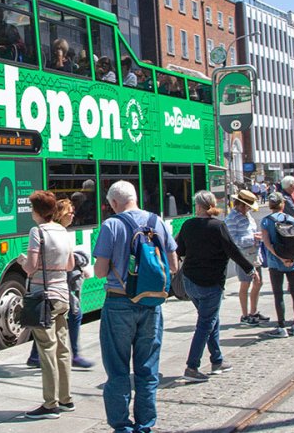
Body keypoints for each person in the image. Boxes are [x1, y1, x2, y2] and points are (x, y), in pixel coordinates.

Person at [92, 180, 177, 433]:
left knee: (117, 368)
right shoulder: (157, 221)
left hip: (119, 302)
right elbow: (173, 264)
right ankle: (145, 424)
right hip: (151, 303)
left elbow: (100, 271)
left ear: (114, 202)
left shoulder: (111, 224)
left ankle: (121, 426)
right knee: (148, 368)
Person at [176, 191, 257, 380]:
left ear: (197, 206)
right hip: (210, 283)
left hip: (190, 282)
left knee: (211, 319)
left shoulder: (188, 225)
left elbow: (179, 250)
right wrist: (250, 269)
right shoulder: (218, 226)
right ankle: (192, 367)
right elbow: (233, 250)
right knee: (205, 323)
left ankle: (217, 359)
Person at [18, 191, 78, 419]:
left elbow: (31, 267)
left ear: (37, 212)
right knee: (63, 348)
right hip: (62, 295)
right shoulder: (63, 231)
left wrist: (23, 261)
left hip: (44, 297)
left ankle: (50, 404)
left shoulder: (37, 232)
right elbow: (70, 263)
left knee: (47, 350)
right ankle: (66, 399)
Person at [28, 198, 96, 370]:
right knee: (74, 314)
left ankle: (36, 356)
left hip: (56, 287)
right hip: (58, 287)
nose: (73, 216)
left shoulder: (52, 232)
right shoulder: (55, 232)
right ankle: (73, 355)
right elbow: (67, 264)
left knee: (47, 322)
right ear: (60, 214)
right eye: (70, 213)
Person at [259, 192, 294, 338]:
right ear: (282, 204)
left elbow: (267, 243)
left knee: (278, 295)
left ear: (270, 205)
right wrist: (292, 258)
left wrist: (281, 257)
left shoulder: (266, 221)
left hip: (276, 263)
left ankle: (281, 326)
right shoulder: (292, 219)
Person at [225, 190, 266, 325]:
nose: (248, 209)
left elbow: (251, 231)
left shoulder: (247, 215)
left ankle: (253, 312)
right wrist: (252, 238)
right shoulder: (232, 218)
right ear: (240, 204)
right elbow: (233, 241)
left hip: (254, 253)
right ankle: (245, 315)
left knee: (258, 282)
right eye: (247, 206)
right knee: (245, 284)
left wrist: (257, 237)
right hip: (243, 256)